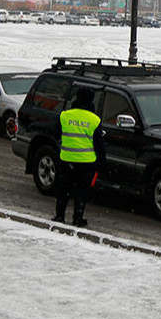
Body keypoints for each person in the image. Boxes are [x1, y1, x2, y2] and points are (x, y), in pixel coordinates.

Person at [53, 87, 106, 227]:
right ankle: (78, 218)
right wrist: (101, 162)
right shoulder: (94, 120)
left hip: (67, 160)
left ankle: (59, 216)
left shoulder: (65, 116)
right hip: (86, 163)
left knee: (63, 190)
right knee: (81, 192)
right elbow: (99, 144)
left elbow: (56, 134)